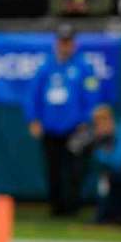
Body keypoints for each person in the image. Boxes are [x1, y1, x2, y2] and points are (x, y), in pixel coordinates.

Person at [25, 24, 100, 217]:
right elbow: (33, 95)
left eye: (68, 42)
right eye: (62, 42)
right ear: (57, 43)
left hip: (75, 127)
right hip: (50, 126)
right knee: (53, 168)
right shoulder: (45, 66)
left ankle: (72, 206)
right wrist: (33, 119)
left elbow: (92, 95)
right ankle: (56, 206)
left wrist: (86, 119)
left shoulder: (84, 66)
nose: (65, 46)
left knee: (74, 169)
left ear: (74, 44)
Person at [89, 104, 121, 225]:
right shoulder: (99, 136)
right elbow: (98, 161)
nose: (100, 125)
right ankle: (103, 218)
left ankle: (104, 218)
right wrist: (100, 144)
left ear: (110, 119)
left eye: (103, 120)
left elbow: (120, 159)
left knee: (110, 179)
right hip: (117, 174)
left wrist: (104, 149)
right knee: (105, 180)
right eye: (97, 122)